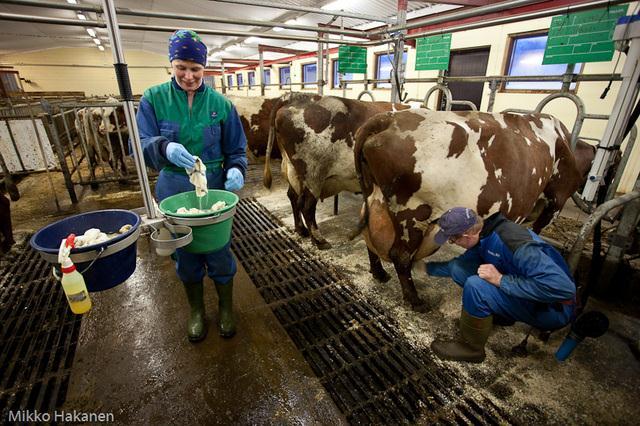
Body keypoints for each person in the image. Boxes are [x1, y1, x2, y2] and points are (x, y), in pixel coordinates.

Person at [136, 29, 247, 342]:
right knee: (185, 254)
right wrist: (163, 148)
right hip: (173, 185)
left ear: (204, 69)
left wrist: (236, 170)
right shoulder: (153, 99)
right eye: (181, 67)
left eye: (195, 69)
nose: (188, 76)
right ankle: (197, 311)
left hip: (213, 186)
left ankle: (226, 308)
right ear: (171, 64)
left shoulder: (222, 105)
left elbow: (236, 149)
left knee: (219, 250)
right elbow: (140, 142)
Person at [425, 207, 576, 363]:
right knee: (459, 269)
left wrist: (501, 280)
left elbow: (563, 289)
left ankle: (471, 349)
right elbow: (458, 266)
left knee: (476, 286)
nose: (453, 244)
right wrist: (425, 268)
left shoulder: (515, 244)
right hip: (526, 293)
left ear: (467, 235)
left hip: (552, 309)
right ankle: (502, 315)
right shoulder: (483, 235)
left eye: (452, 240)